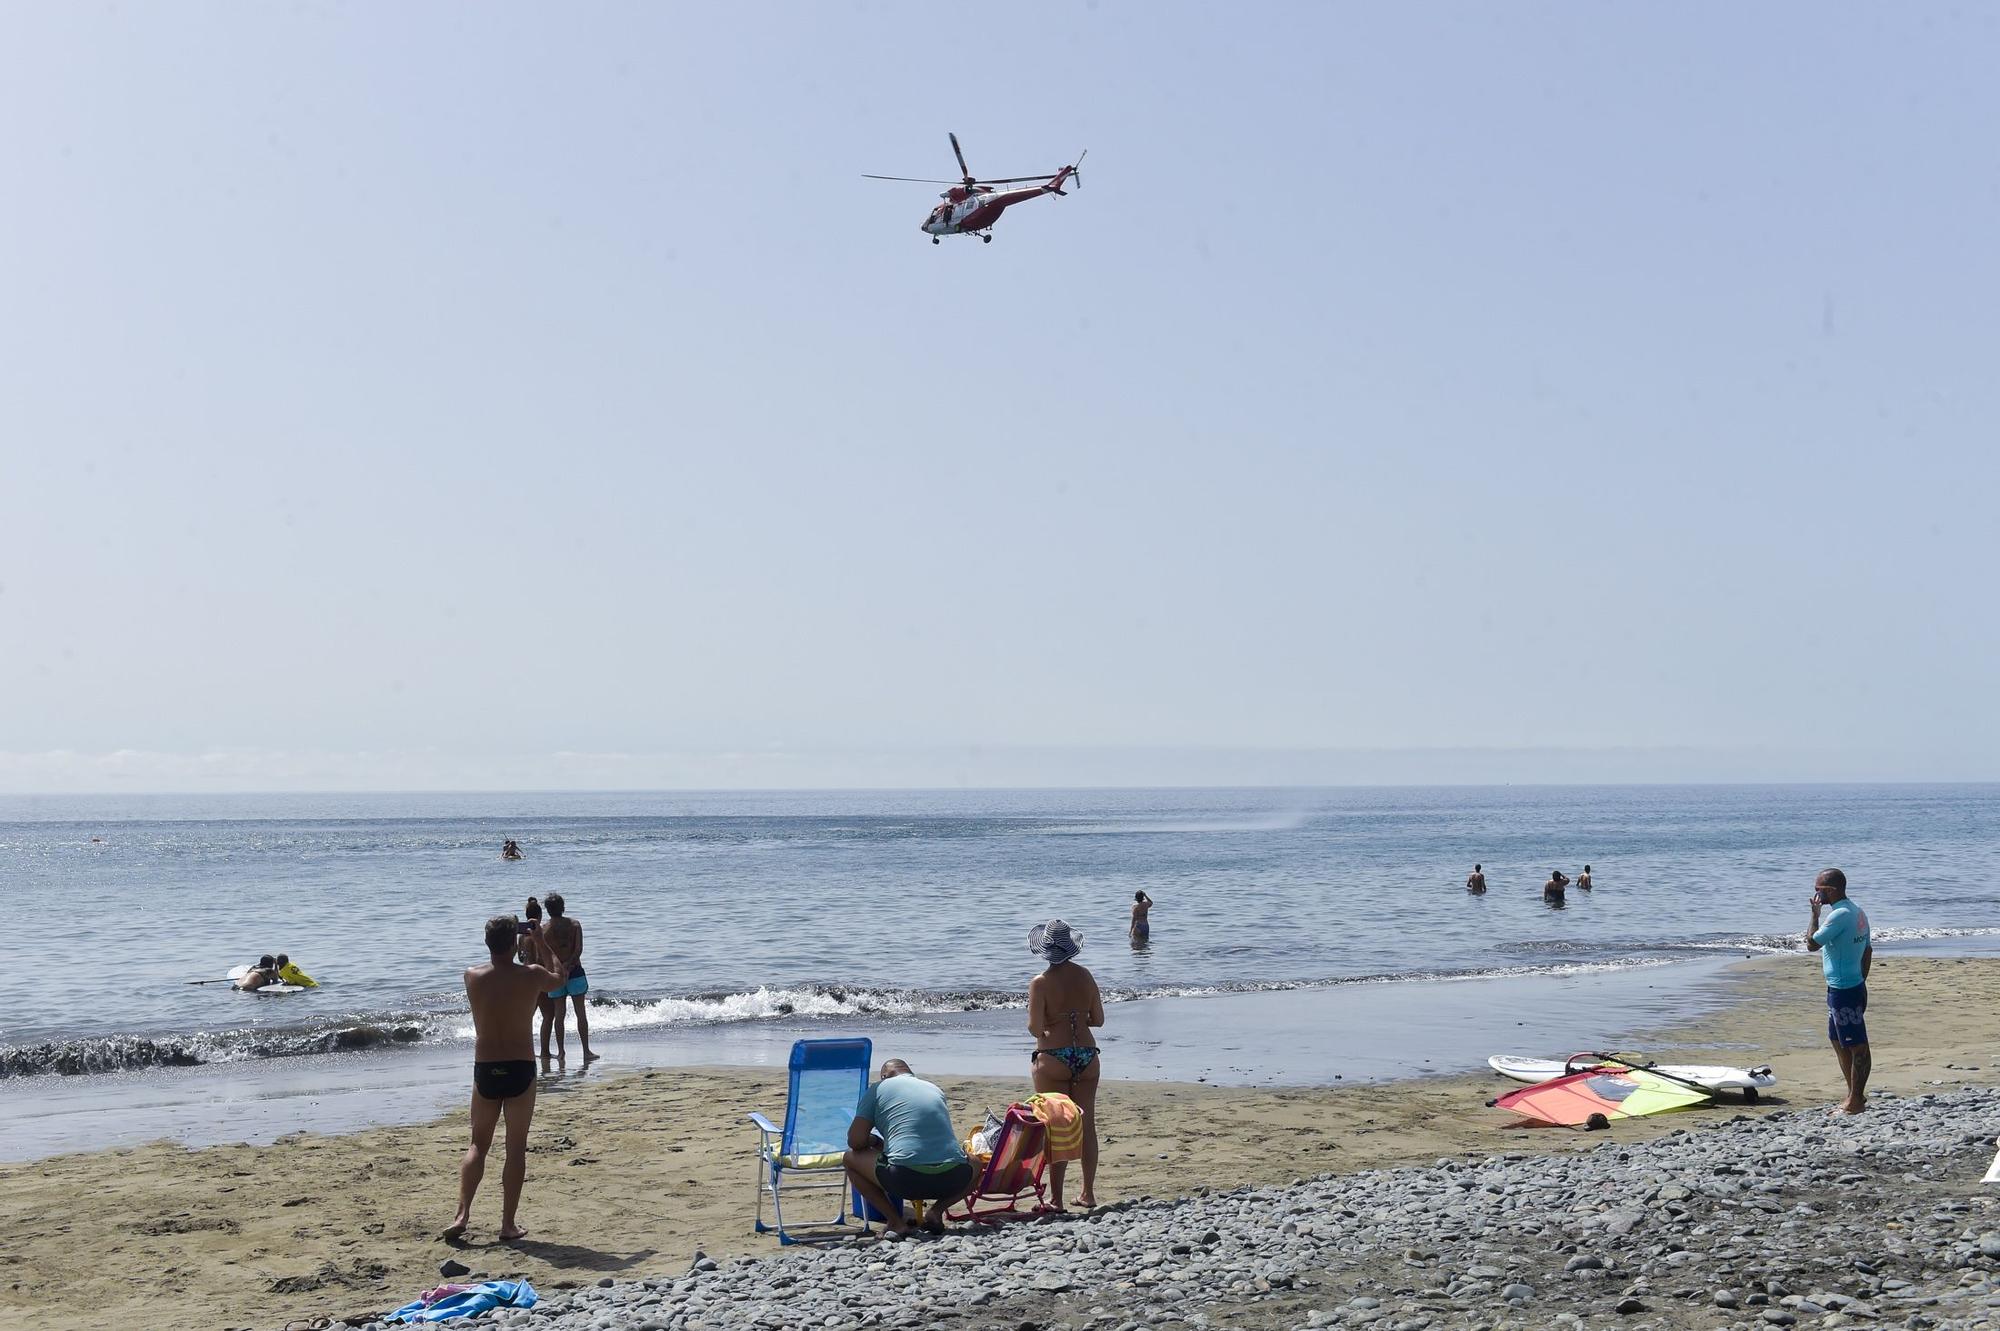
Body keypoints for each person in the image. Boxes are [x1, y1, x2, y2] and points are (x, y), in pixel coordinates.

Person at [446, 914, 563, 1242]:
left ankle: (462, 1213)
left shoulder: (472, 976)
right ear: (515, 942)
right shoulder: (532, 975)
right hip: (520, 1068)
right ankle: (507, 1225)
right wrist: (539, 940)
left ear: (486, 942)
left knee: (477, 1145)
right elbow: (560, 977)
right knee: (515, 1148)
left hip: (486, 1069)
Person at [841, 1059, 974, 1238]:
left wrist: (872, 1140)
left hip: (904, 1179)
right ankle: (936, 1211)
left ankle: (895, 1221)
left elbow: (855, 1141)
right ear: (910, 1074)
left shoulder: (878, 1089)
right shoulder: (933, 1088)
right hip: (954, 1178)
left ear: (884, 1077)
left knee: (850, 1158)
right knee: (976, 1163)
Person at [1028, 919, 1103, 1210]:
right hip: (1087, 1054)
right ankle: (1088, 1193)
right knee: (1087, 1123)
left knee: (1055, 1124)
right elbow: (1097, 1020)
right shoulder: (1086, 977)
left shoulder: (1040, 982)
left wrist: (1052, 1022)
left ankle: (1056, 1198)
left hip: (1053, 1057)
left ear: (1045, 950)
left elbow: (1035, 1028)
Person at [1806, 867, 1873, 1115]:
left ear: (1831, 890)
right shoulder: (1858, 912)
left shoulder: (1840, 915)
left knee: (1857, 1046)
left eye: (1818, 890)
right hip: (1848, 986)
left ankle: (1856, 1101)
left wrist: (1814, 915)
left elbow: (1811, 943)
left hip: (1845, 989)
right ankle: (1853, 1094)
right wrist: (1861, 981)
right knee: (1837, 1040)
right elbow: (1867, 951)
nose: (1815, 895)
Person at [539, 893, 596, 1063]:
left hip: (556, 974)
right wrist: (569, 965)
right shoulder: (575, 924)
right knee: (581, 1013)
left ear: (547, 910)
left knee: (559, 1014)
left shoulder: (544, 930)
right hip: (575, 970)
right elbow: (578, 949)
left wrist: (560, 968)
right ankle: (586, 1051)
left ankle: (561, 1051)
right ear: (563, 907)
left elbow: (545, 955)